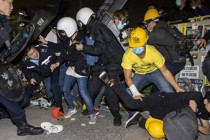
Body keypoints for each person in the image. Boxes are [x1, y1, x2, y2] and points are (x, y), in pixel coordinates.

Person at [75, 7, 125, 126]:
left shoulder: (98, 28)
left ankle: (117, 116)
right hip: (103, 64)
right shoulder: (95, 27)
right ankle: (89, 107)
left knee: (110, 93)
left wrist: (83, 48)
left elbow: (99, 49)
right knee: (92, 88)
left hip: (114, 64)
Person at [0, 0, 43, 136]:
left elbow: (8, 48)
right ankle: (21, 124)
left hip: (2, 64)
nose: (12, 7)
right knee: (7, 96)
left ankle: (4, 112)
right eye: (10, 3)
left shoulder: (3, 20)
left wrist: (22, 39)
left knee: (22, 99)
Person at [51, 17, 96, 124]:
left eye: (63, 32)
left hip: (81, 69)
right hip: (71, 68)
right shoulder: (69, 39)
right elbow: (62, 49)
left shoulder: (80, 38)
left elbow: (73, 57)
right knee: (65, 89)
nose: (62, 34)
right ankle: (72, 109)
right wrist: (58, 62)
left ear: (69, 29)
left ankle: (91, 114)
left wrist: (61, 54)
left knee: (83, 92)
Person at [121, 27, 184, 101]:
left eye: (139, 45)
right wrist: (135, 92)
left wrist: (177, 87)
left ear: (145, 42)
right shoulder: (128, 55)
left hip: (155, 72)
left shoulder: (153, 52)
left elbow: (165, 71)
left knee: (169, 93)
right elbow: (127, 77)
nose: (137, 48)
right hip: (139, 74)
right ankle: (135, 113)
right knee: (128, 94)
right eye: (134, 46)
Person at [20, 44, 63, 114]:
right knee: (30, 86)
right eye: (31, 54)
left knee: (54, 86)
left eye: (34, 51)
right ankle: (19, 104)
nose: (35, 54)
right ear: (27, 56)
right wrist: (30, 78)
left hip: (52, 68)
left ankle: (59, 107)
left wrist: (57, 63)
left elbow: (61, 53)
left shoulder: (45, 50)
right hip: (40, 72)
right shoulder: (24, 61)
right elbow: (24, 69)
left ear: (34, 47)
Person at [143, 8, 186, 76]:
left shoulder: (157, 33)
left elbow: (142, 42)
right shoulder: (165, 26)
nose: (146, 26)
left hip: (174, 62)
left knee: (156, 77)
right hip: (178, 59)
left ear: (152, 22)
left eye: (146, 24)